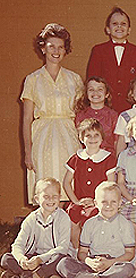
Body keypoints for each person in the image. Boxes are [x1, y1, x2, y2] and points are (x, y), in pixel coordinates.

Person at [21, 23, 83, 202]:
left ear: (65, 50)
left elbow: (81, 115)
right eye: (51, 46)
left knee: (69, 186)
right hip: (42, 140)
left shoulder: (74, 79)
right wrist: (27, 152)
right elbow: (26, 119)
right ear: (43, 48)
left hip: (69, 138)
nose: (56, 51)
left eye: (60, 47)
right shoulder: (32, 80)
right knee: (45, 188)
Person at [57, 181, 136, 278]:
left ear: (120, 203)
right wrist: (89, 261)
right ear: (96, 203)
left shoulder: (125, 224)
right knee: (63, 264)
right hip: (92, 264)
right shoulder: (89, 224)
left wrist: (110, 262)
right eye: (104, 202)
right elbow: (82, 252)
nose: (108, 206)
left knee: (128, 269)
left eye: (113, 202)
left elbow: (130, 253)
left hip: (114, 264)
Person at [1, 178, 69, 278]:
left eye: (54, 196)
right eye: (46, 196)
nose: (50, 200)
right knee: (6, 258)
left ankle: (28, 276)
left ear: (60, 198)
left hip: (51, 258)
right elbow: (18, 244)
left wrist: (40, 259)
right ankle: (39, 275)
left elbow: (63, 248)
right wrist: (21, 259)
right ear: (37, 199)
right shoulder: (31, 219)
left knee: (61, 260)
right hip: (33, 257)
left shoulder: (63, 218)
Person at [64, 119, 116, 248]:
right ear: (81, 139)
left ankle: (96, 249)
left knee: (96, 218)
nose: (92, 139)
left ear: (102, 138)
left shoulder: (108, 159)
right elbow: (66, 183)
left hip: (99, 202)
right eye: (88, 135)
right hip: (80, 201)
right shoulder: (76, 158)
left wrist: (96, 201)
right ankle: (76, 250)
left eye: (96, 135)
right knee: (72, 216)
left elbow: (111, 185)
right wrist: (76, 201)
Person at [86, 7, 136, 113]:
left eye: (123, 24)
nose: (119, 26)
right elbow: (92, 79)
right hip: (105, 108)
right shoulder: (98, 50)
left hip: (130, 108)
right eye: (115, 24)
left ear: (129, 29)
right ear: (108, 29)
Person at [75, 76, 119, 154]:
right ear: (86, 93)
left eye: (100, 89)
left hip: (107, 156)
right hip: (87, 156)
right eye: (91, 90)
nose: (95, 93)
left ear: (107, 94)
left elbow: (117, 141)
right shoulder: (81, 115)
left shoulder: (113, 116)